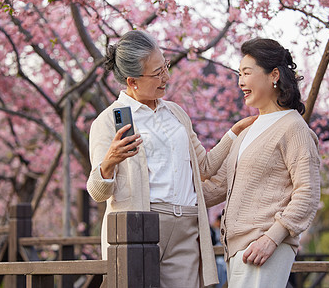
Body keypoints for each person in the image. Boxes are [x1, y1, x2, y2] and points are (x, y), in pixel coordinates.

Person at [86, 30, 255, 288]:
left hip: (186, 224)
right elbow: (97, 192)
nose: (166, 77)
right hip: (139, 227)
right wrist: (109, 161)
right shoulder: (108, 121)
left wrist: (234, 132)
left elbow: (204, 167)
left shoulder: (176, 113)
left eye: (164, 66)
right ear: (132, 82)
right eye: (157, 73)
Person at [203, 38, 321, 288]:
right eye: (238, 74)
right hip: (237, 247)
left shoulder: (293, 127)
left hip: (264, 246)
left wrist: (271, 239)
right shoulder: (247, 130)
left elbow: (307, 193)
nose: (240, 81)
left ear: (274, 75)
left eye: (246, 73)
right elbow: (218, 186)